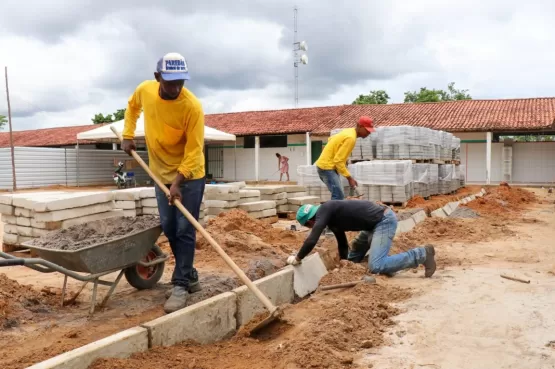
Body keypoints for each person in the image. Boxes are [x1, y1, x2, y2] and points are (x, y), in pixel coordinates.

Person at [122, 52, 205, 313]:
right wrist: (127, 134)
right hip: (159, 174)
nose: (176, 87)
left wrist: (178, 182)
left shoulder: (192, 107)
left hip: (189, 176)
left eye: (181, 81)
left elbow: (194, 151)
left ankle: (180, 284)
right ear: (157, 77)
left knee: (184, 229)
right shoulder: (145, 90)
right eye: (170, 82)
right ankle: (189, 274)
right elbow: (132, 107)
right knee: (169, 228)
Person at [286, 201, 436, 278]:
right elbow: (342, 243)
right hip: (371, 225)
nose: (311, 227)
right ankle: (387, 264)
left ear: (309, 222)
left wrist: (298, 257)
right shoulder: (330, 216)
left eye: (308, 226)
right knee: (354, 255)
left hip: (383, 221)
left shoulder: (325, 210)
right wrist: (344, 264)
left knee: (376, 266)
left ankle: (422, 254)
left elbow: (312, 240)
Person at [315, 116, 375, 200]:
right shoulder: (351, 138)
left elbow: (331, 139)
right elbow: (338, 160)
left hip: (326, 166)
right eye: (367, 130)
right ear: (359, 126)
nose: (369, 133)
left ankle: (335, 212)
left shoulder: (349, 131)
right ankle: (331, 213)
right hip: (326, 168)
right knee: (338, 196)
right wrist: (349, 178)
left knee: (338, 195)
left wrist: (343, 159)